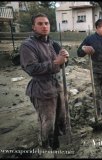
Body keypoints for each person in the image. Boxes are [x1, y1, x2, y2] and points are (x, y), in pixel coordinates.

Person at [20, 13, 69, 151]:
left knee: (61, 117)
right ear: (33, 27)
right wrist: (55, 63)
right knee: (47, 122)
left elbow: (62, 63)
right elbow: (31, 68)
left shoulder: (53, 43)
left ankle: (56, 145)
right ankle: (45, 147)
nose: (44, 26)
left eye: (46, 23)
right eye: (40, 24)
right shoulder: (28, 45)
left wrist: (65, 58)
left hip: (57, 86)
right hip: (42, 89)